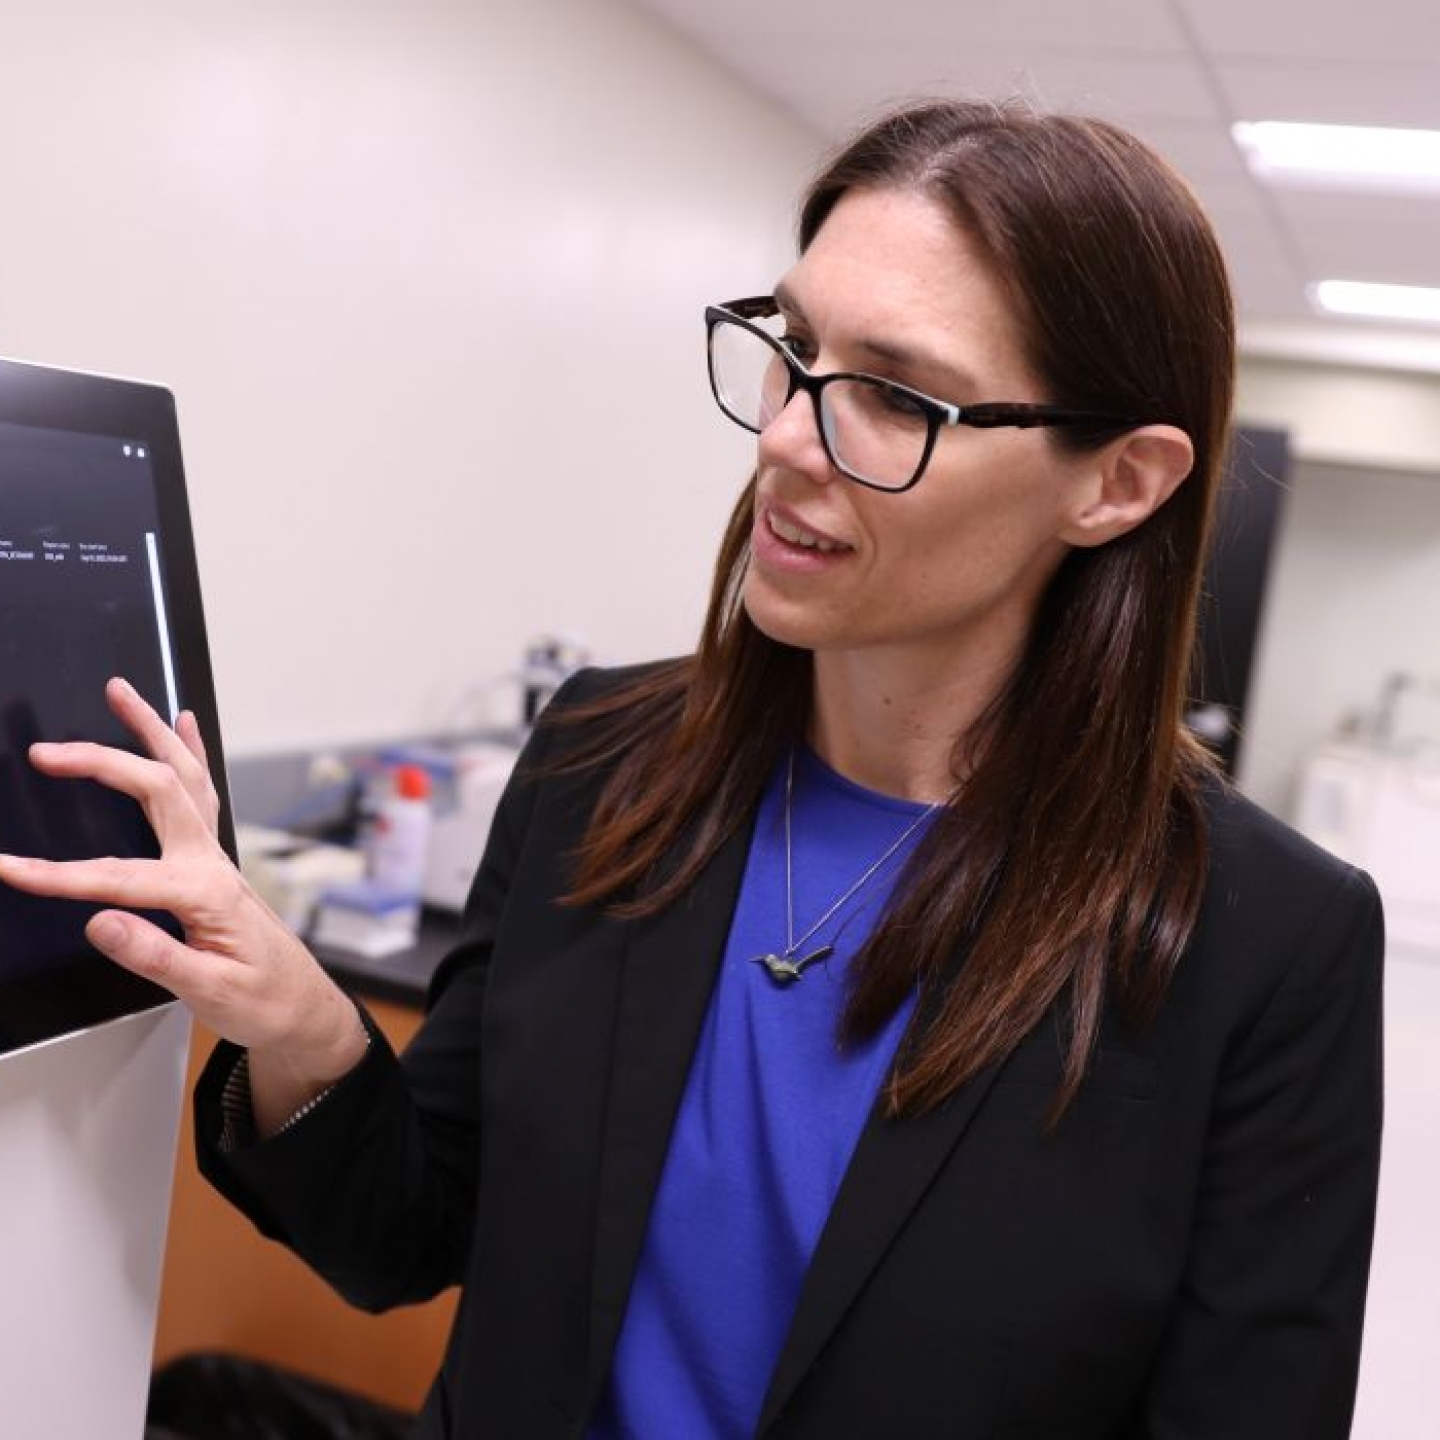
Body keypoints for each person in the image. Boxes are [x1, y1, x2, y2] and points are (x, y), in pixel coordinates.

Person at [0, 99, 1383, 1439]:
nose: (786, 437)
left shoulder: (1264, 947)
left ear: (1118, 482)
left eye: (894, 398)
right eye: (794, 349)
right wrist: (302, 1028)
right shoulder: (604, 767)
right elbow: (417, 1232)